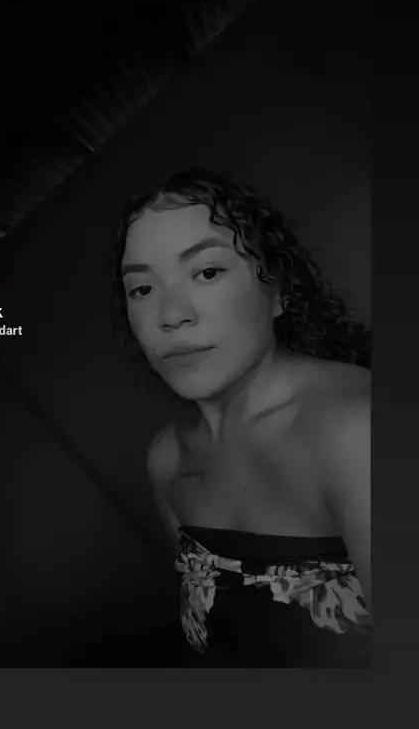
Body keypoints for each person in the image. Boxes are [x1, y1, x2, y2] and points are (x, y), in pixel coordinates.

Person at [110, 167, 371, 667]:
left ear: (279, 290)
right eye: (142, 289)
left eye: (207, 272)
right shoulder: (168, 458)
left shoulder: (357, 433)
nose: (170, 315)